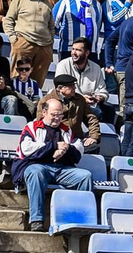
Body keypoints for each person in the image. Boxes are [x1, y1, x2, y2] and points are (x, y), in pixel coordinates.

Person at [15, 95, 95, 232]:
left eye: (60, 115)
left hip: (62, 169)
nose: (57, 118)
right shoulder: (32, 127)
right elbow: (27, 149)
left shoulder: (67, 130)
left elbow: (78, 150)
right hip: (38, 167)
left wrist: (64, 149)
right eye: (53, 114)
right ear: (44, 112)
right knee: (35, 172)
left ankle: (81, 219)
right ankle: (36, 220)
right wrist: (54, 146)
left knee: (85, 176)